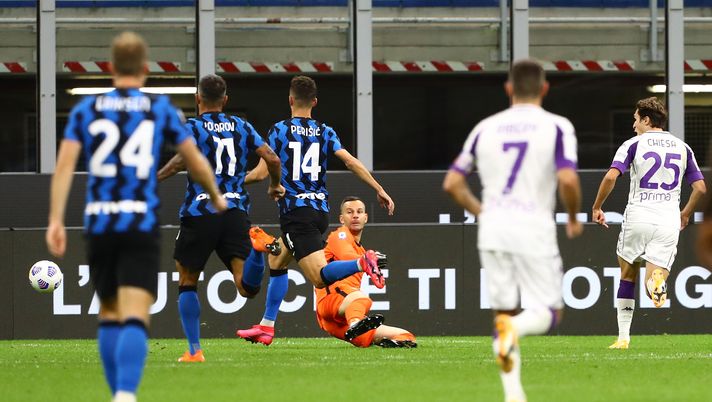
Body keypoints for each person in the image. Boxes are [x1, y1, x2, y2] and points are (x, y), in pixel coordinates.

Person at [45, 32, 226, 402]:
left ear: (110, 68)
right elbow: (195, 159)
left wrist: (56, 220)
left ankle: (118, 394)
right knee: (134, 316)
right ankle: (125, 394)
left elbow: (63, 167)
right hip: (138, 221)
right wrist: (216, 196)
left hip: (99, 222)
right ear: (145, 69)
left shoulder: (86, 109)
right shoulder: (159, 109)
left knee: (109, 312)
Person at [443, 59, 583, 402]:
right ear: (545, 88)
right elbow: (567, 178)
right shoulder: (556, 126)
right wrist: (575, 215)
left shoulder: (485, 128)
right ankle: (516, 332)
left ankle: (513, 395)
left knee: (502, 312)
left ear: (508, 89)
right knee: (549, 313)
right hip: (533, 226)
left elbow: (453, 183)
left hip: (492, 229)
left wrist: (481, 210)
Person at [235, 75, 395, 344]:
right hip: (318, 211)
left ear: (289, 100)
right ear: (315, 102)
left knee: (319, 278)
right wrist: (378, 188)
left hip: (297, 213)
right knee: (277, 261)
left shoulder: (279, 130)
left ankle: (362, 262)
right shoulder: (325, 131)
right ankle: (266, 327)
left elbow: (262, 173)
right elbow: (350, 161)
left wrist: (231, 181)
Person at [156, 74, 284, 362]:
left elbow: (181, 160)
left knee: (187, 281)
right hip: (235, 212)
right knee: (246, 287)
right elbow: (273, 159)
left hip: (199, 211)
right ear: (225, 100)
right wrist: (274, 184)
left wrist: (156, 178)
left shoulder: (192, 127)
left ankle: (194, 351)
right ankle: (255, 251)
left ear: (197, 98)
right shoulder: (242, 126)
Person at [592, 97, 705, 350]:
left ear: (645, 120)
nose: (633, 126)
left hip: (638, 216)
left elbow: (612, 176)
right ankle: (657, 278)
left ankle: (623, 338)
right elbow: (700, 187)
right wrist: (685, 213)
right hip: (668, 219)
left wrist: (597, 206)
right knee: (655, 276)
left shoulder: (632, 144)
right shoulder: (683, 147)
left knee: (628, 273)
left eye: (635, 120)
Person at [240, 197, 415, 347]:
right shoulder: (339, 236)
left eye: (359, 211)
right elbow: (346, 254)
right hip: (333, 302)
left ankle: (372, 334)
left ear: (366, 217)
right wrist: (365, 261)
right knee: (362, 299)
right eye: (349, 212)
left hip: (338, 320)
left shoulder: (362, 249)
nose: (355, 215)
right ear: (341, 218)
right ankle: (356, 323)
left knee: (406, 336)